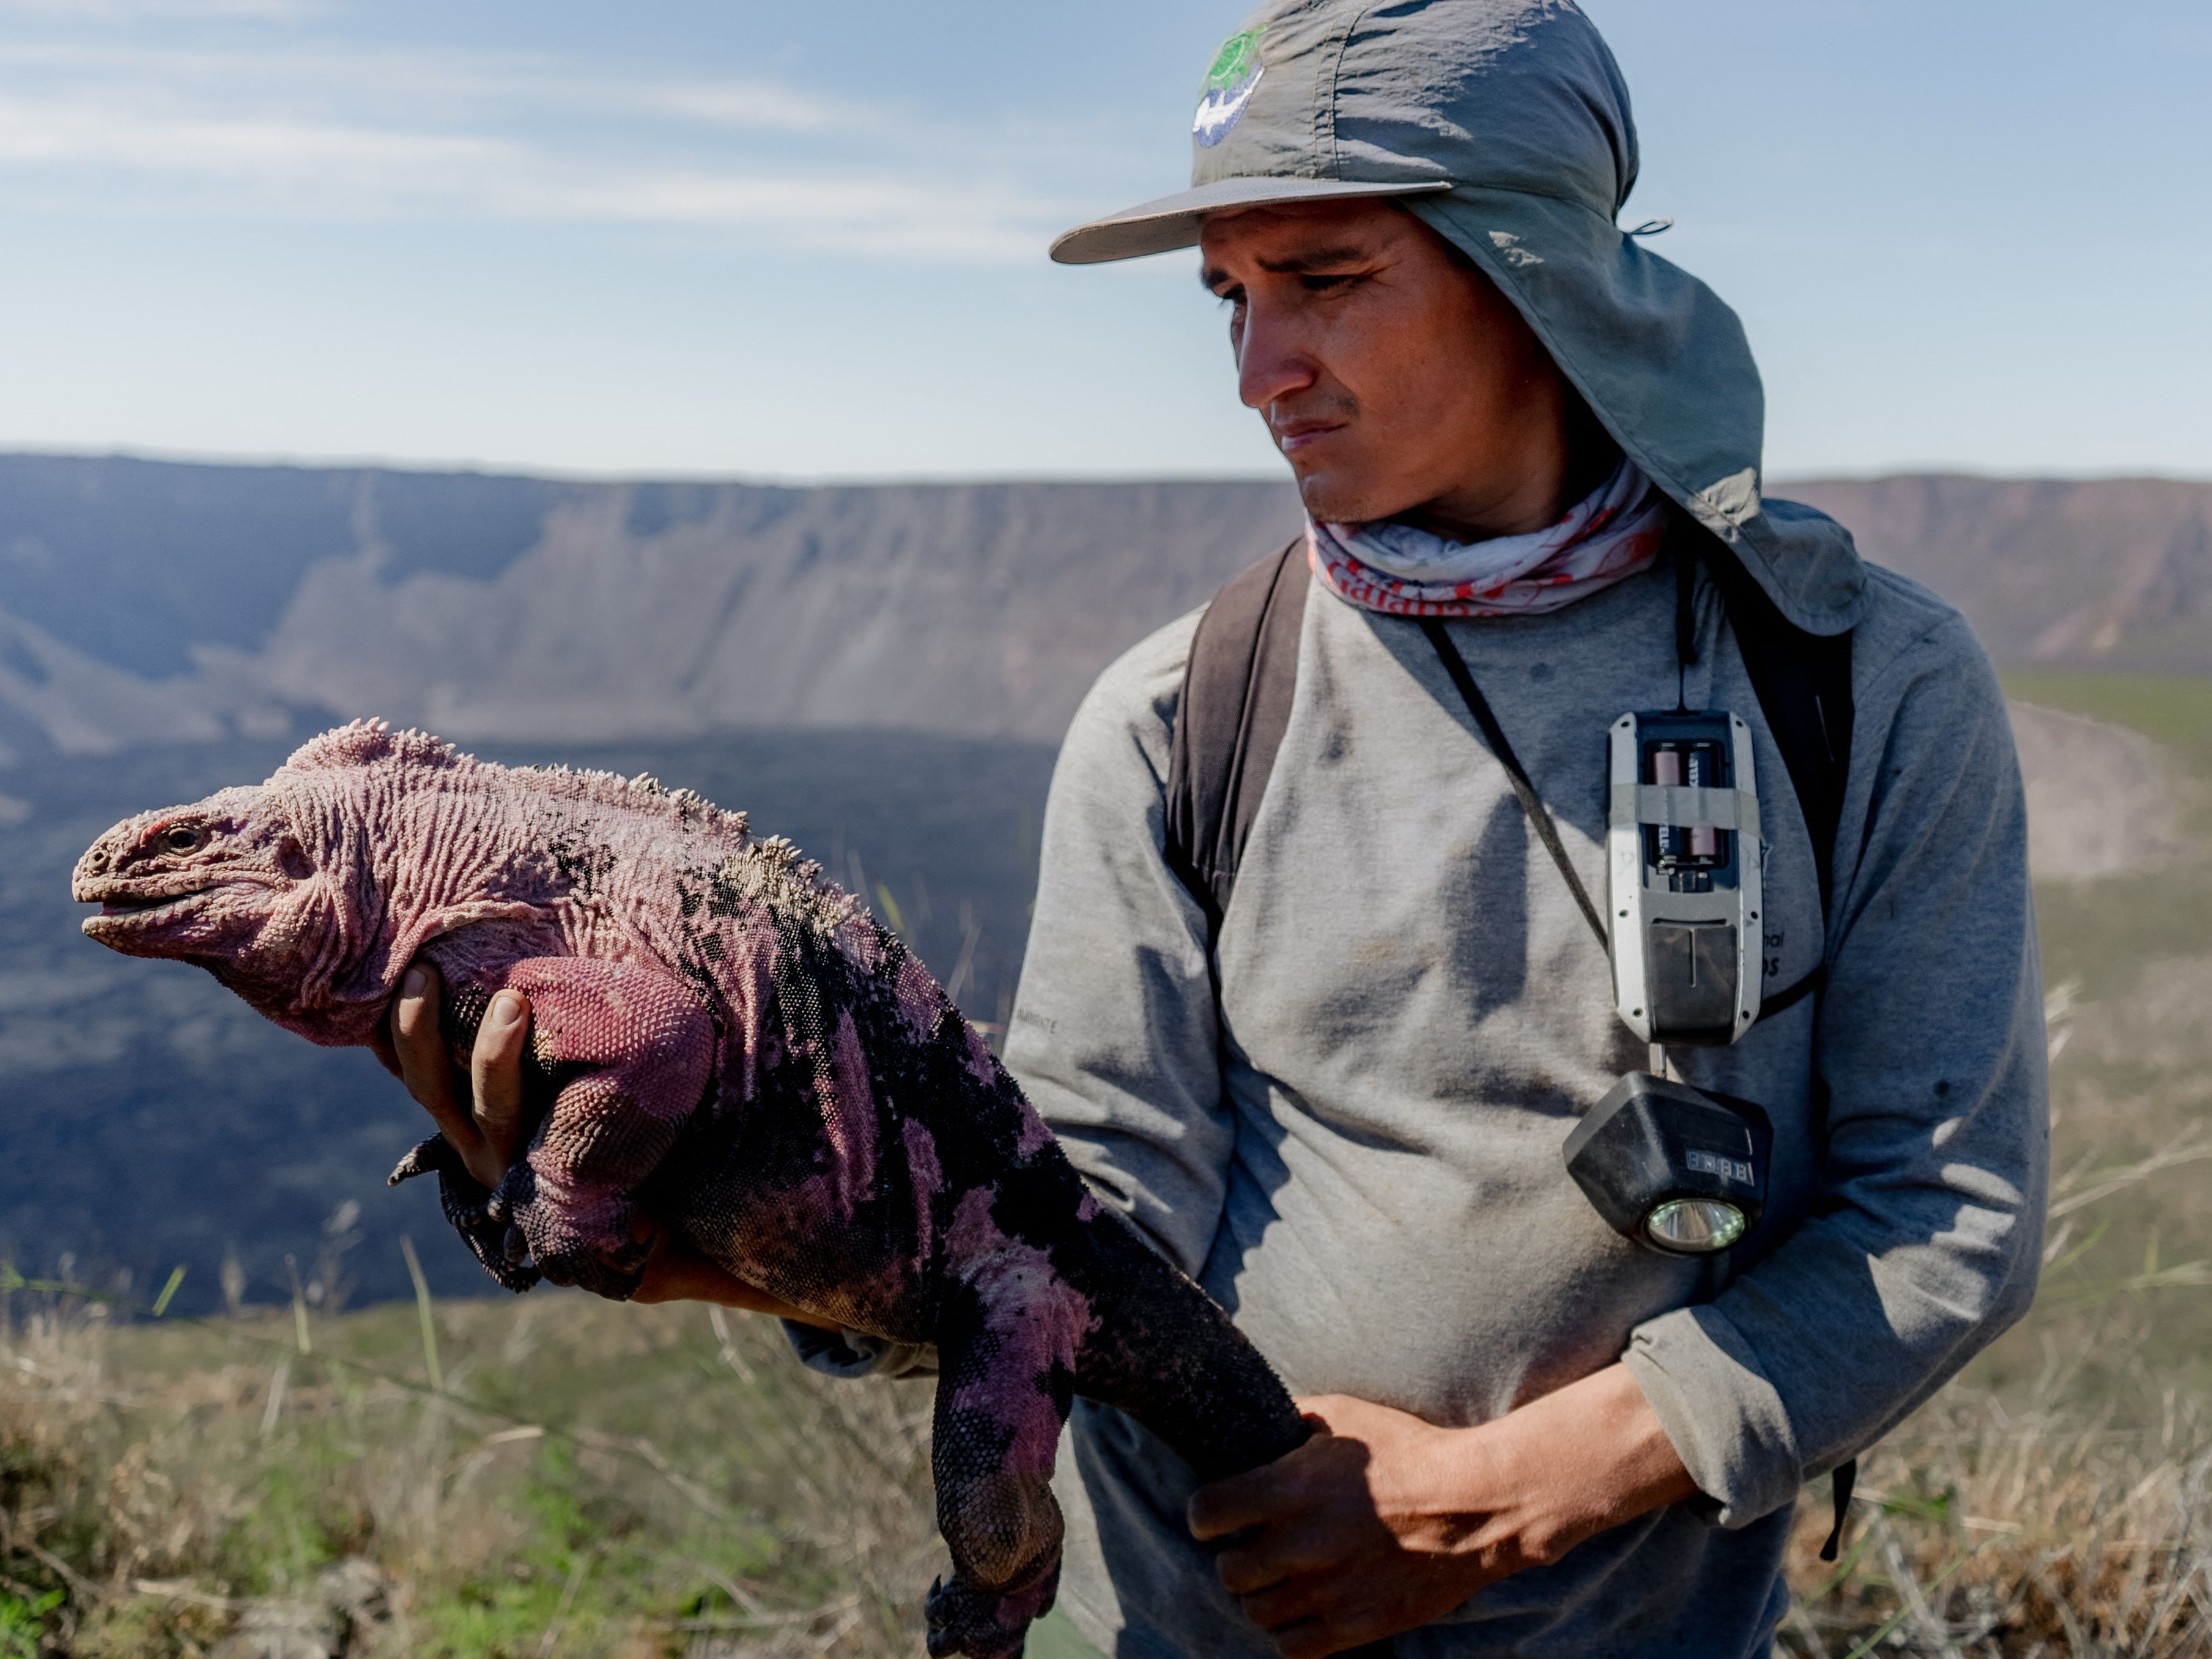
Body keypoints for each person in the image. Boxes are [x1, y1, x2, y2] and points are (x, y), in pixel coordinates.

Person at [379, 3, 2049, 1654]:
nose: (1259, 374)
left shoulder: (1852, 684)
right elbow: (1083, 1214)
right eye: (1231, 297)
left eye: (1325, 278)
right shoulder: (1187, 715)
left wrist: (1508, 1493)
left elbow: (1945, 1212)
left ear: (1541, 271)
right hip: (1174, 1624)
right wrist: (734, 1213)